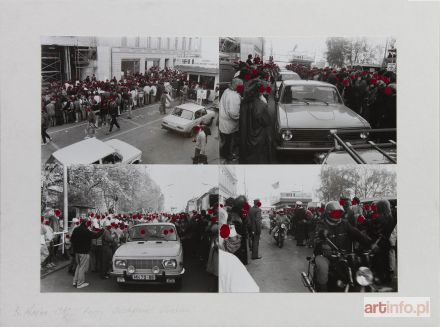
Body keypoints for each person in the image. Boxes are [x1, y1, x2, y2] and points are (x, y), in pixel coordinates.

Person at [313, 201, 375, 292]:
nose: (337, 215)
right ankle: (323, 292)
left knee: (359, 267)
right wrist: (323, 243)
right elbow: (317, 237)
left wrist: (370, 243)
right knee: (323, 268)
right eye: (335, 213)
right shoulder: (321, 224)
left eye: (339, 213)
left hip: (345, 254)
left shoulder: (344, 223)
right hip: (325, 255)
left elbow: (357, 234)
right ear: (328, 213)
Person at [239, 79, 271, 164]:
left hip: (245, 137)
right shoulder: (261, 105)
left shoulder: (243, 103)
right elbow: (267, 122)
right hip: (258, 138)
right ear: (259, 92)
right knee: (258, 159)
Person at [70, 218, 104, 288]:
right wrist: (102, 230)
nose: (89, 225)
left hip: (77, 252)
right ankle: (80, 283)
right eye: (88, 224)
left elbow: (72, 240)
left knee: (78, 266)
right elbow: (95, 236)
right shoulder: (86, 231)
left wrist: (76, 248)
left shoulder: (76, 229)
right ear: (86, 224)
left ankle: (75, 281)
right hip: (84, 252)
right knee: (82, 267)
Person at [219, 78, 242, 162]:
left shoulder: (227, 90)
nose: (241, 88)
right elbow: (233, 113)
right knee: (228, 142)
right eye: (240, 86)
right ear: (236, 85)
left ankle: (225, 153)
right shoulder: (233, 96)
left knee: (226, 141)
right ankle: (228, 156)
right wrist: (240, 116)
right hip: (229, 123)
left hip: (224, 120)